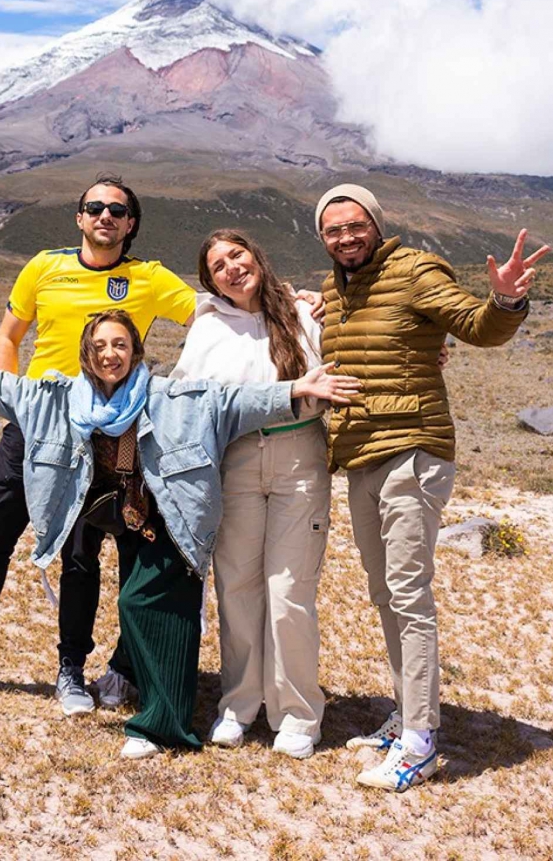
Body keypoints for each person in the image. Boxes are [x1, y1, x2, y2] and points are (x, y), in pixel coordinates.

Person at [0, 310, 362, 758]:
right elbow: (4, 388)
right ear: (86, 353)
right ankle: (160, 705)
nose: (110, 354)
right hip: (121, 516)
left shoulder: (168, 397)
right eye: (99, 346)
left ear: (136, 351)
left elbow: (231, 401)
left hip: (169, 520)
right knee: (139, 604)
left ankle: (162, 725)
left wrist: (297, 389)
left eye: (120, 344)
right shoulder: (63, 400)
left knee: (140, 602)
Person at [0, 175, 197, 717]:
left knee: (80, 555)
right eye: (95, 207)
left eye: (117, 210)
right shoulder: (44, 266)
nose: (105, 215)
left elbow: (212, 315)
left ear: (131, 224)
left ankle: (71, 669)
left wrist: (289, 301)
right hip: (35, 424)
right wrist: (13, 404)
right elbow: (8, 336)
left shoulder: (149, 278)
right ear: (79, 217)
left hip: (101, 437)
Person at [314, 183, 547, 792]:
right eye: (333, 229)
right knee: (385, 593)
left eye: (356, 225)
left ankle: (419, 744)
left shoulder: (414, 270)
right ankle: (408, 712)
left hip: (412, 453)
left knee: (408, 595)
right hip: (361, 455)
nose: (346, 237)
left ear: (376, 224)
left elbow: (476, 326)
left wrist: (505, 299)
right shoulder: (336, 292)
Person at [170, 230, 330, 760]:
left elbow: (355, 353)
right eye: (218, 266)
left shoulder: (304, 314)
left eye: (237, 255)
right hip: (235, 462)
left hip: (299, 458)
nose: (231, 268)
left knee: (289, 591)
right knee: (236, 587)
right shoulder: (208, 328)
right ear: (210, 282)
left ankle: (297, 714)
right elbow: (189, 396)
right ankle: (238, 704)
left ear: (256, 255)